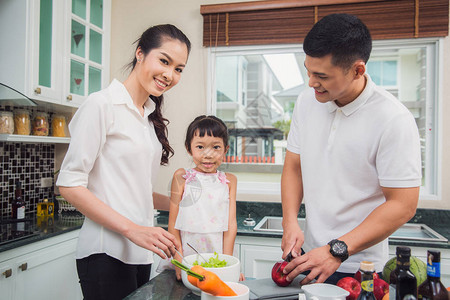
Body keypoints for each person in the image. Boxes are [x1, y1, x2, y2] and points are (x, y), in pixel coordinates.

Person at [280, 13, 422, 285]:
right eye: (308, 71)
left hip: (360, 265)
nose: (311, 82)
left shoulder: (393, 119)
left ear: (358, 70)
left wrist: (337, 250)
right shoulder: (306, 101)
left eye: (321, 76)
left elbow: (403, 205)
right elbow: (294, 166)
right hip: (309, 258)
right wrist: (290, 222)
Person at [56, 24, 191, 300]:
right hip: (106, 252)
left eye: (178, 68)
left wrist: (180, 201)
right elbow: (69, 185)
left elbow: (135, 190)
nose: (170, 74)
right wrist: (133, 230)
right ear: (140, 53)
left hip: (141, 252)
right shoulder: (101, 105)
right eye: (164, 61)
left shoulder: (148, 116)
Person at [167, 115, 238, 280]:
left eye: (216, 147)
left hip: (217, 256)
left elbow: (231, 226)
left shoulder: (229, 181)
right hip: (186, 256)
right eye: (200, 147)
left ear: (225, 150)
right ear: (188, 148)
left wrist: (229, 265)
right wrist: (179, 260)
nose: (208, 154)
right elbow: (172, 224)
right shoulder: (181, 177)